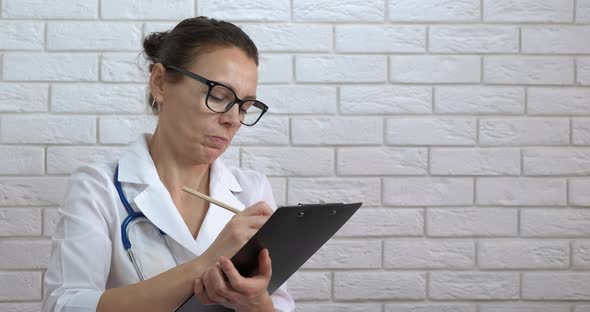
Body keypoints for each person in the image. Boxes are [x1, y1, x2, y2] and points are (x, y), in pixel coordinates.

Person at [42, 16, 295, 312]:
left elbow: (279, 306)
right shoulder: (98, 187)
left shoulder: (253, 191)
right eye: (219, 96)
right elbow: (65, 305)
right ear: (160, 83)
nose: (233, 119)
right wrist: (203, 264)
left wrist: (257, 303)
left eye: (245, 106)